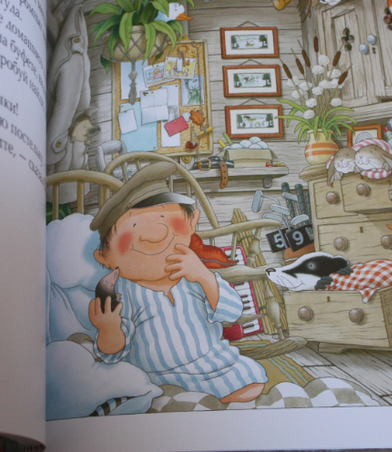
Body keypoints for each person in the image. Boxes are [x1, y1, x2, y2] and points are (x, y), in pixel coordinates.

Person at [87, 162, 268, 403]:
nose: (155, 232)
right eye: (134, 225)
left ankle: (210, 403)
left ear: (192, 222)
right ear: (105, 257)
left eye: (164, 217)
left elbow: (232, 312)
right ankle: (202, 404)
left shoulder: (194, 275)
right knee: (161, 398)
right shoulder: (122, 293)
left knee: (252, 376)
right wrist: (109, 329)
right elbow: (113, 354)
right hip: (160, 377)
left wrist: (203, 276)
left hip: (215, 363)